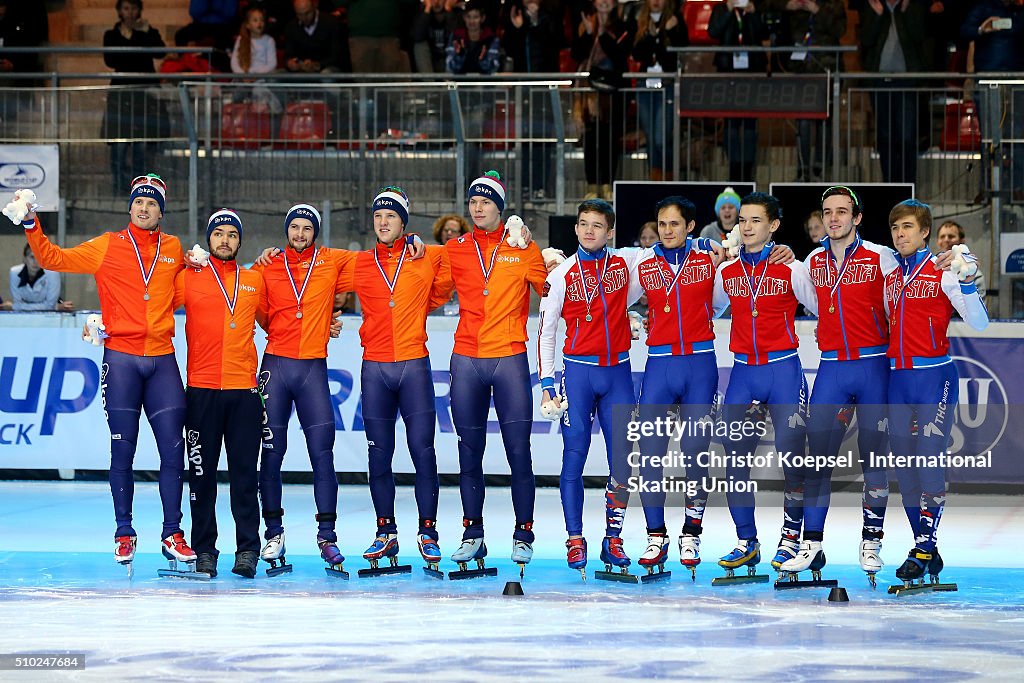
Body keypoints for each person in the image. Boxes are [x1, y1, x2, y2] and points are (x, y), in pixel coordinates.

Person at [17, 175, 196, 573]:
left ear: (161, 211)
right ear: (129, 207)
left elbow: (182, 293)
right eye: (138, 202)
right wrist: (32, 224)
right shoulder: (107, 245)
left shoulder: (172, 248)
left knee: (172, 450)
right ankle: (124, 531)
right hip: (122, 360)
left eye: (151, 203)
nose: (144, 208)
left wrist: (199, 265)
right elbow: (53, 259)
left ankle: (172, 532)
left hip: (163, 359)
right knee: (123, 449)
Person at [254, 203, 425, 575]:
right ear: (286, 231)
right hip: (276, 365)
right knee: (271, 453)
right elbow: (261, 313)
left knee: (323, 453)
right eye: (294, 228)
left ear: (316, 233)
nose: (299, 234)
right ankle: (274, 532)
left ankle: (327, 536)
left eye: (307, 229)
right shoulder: (267, 266)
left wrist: (411, 238)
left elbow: (379, 256)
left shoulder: (335, 261)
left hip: (313, 367)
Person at [435, 171, 548, 575]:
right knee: (469, 454)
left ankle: (523, 534)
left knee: (519, 452)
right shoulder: (454, 248)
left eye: (485, 202)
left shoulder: (522, 247)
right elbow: (431, 292)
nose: (477, 208)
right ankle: (473, 534)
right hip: (466, 358)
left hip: (509, 358)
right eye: (473, 202)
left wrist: (545, 253)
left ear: (500, 208)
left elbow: (552, 292)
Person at [337, 187, 454, 573]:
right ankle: (385, 531)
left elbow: (463, 255)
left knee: (423, 452)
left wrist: (419, 242)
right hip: (375, 369)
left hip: (413, 366)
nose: (383, 222)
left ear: (404, 223)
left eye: (391, 216)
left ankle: (428, 532)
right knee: (378, 454)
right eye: (378, 216)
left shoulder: (427, 256)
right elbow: (312, 271)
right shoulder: (358, 262)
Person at [790, 186, 899, 586]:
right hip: (832, 369)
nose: (833, 218)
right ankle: (812, 543)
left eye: (842, 212)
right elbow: (813, 303)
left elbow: (897, 304)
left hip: (873, 367)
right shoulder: (811, 262)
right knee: (816, 459)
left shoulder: (880, 257)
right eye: (828, 212)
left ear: (857, 217)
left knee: (874, 460)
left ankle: (872, 541)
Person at [538, 199, 650, 577]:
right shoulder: (561, 274)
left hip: (618, 373)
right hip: (579, 375)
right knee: (575, 456)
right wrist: (547, 382)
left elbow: (665, 252)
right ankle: (574, 537)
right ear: (575, 229)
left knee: (622, 460)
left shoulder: (624, 265)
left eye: (597, 225)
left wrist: (706, 247)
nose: (589, 230)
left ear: (610, 231)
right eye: (583, 224)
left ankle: (612, 538)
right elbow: (547, 331)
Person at [710, 192, 818, 580]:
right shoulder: (726, 272)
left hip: (784, 371)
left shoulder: (792, 268)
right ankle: (747, 541)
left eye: (756, 220)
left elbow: (825, 307)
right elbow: (705, 309)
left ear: (773, 226)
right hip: (742, 373)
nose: (746, 226)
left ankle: (791, 538)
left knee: (794, 461)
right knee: (734, 461)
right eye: (742, 220)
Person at [883, 199, 988, 588]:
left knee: (929, 461)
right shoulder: (891, 276)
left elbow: (979, 322)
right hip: (898, 382)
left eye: (908, 227)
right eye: (895, 228)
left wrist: (966, 282)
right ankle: (925, 547)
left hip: (935, 379)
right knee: (906, 472)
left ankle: (924, 549)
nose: (900, 234)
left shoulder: (943, 271)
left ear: (925, 231)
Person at [630, 197, 722, 578]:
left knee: (695, 452)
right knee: (651, 453)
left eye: (674, 224)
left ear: (690, 226)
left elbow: (720, 301)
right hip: (660, 366)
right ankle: (656, 536)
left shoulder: (709, 259)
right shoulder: (642, 262)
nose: (667, 230)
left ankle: (691, 532)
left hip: (700, 364)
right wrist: (635, 315)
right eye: (661, 223)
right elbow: (611, 291)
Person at [174, 209, 266, 579]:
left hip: (244, 393)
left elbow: (280, 322)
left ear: (240, 241)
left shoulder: (254, 280)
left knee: (245, 476)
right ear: (208, 239)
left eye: (231, 234)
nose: (225, 240)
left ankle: (248, 550)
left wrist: (327, 322)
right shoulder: (187, 277)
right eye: (218, 234)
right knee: (201, 477)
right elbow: (152, 306)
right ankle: (204, 551)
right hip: (201, 392)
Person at [767, 0, 846, 182]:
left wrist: (817, 10)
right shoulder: (795, 6)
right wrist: (786, 6)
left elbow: (839, 30)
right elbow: (769, 12)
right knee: (802, 120)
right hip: (801, 71)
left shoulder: (834, 5)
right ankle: (803, 169)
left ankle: (820, 168)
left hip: (826, 70)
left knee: (824, 120)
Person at [858, 0, 930, 184]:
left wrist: (907, 11)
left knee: (906, 137)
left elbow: (918, 36)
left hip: (906, 81)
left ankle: (907, 185)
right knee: (885, 137)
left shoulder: (912, 6)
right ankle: (890, 184)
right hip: (880, 82)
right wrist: (878, 15)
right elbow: (866, 39)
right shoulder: (873, 6)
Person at [961, 0, 1024, 202]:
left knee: (1017, 137)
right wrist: (982, 28)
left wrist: (1012, 25)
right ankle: (987, 188)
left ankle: (1018, 186)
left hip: (1016, 82)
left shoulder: (1020, 10)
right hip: (987, 81)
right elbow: (965, 31)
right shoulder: (982, 8)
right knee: (988, 137)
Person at [102, 0, 167, 193]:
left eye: (134, 8)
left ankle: (139, 188)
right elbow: (111, 60)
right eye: (126, 8)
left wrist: (142, 34)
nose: (130, 13)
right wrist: (129, 41)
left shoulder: (149, 32)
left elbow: (160, 52)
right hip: (120, 93)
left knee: (141, 144)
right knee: (119, 144)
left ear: (139, 10)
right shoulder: (111, 35)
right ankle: (119, 185)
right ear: (120, 11)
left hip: (144, 94)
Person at [572, 0, 630, 200]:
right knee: (590, 139)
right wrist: (588, 34)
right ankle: (592, 184)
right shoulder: (585, 24)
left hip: (612, 93)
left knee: (609, 139)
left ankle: (607, 185)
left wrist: (602, 34)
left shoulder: (622, 26)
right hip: (588, 92)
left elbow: (620, 55)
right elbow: (576, 54)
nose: (604, 2)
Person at [708, 0, 768, 182]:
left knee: (750, 123)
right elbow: (713, 32)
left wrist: (754, 13)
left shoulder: (756, 8)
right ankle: (734, 170)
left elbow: (764, 33)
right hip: (728, 72)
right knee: (731, 123)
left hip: (752, 72)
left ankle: (747, 170)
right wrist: (728, 11)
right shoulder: (720, 9)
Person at [629, 0, 688, 181]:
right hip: (645, 84)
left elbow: (681, 48)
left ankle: (668, 177)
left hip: (667, 84)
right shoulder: (638, 20)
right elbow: (637, 53)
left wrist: (669, 31)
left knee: (661, 138)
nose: (656, 1)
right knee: (650, 138)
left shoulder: (675, 19)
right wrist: (650, 36)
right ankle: (655, 178)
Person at [283, 0, 348, 73]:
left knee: (326, 74)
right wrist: (290, 63)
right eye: (299, 14)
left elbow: (339, 56)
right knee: (276, 76)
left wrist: (318, 64)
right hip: (301, 69)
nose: (304, 18)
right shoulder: (291, 27)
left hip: (327, 67)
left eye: (307, 13)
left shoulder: (331, 23)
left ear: (315, 6)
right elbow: (288, 55)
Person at [9, 243, 73, 312]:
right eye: (32, 257)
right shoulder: (14, 273)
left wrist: (14, 306)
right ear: (25, 258)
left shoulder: (52, 272)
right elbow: (18, 304)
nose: (36, 262)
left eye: (39, 257)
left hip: (49, 315)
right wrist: (55, 307)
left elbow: (50, 306)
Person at [936, 220, 987, 301]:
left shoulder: (974, 274)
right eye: (942, 236)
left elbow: (977, 309)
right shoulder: (929, 270)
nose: (946, 240)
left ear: (962, 241)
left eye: (951, 236)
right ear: (937, 242)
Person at [445, 2, 502, 74]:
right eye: (468, 17)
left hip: (484, 83)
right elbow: (450, 68)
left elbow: (493, 69)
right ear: (464, 18)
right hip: (461, 82)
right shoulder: (455, 36)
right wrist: (459, 56)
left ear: (482, 18)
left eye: (475, 17)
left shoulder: (492, 38)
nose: (471, 21)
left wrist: (483, 60)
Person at [231, 5, 278, 74]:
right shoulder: (240, 39)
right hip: (243, 78)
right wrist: (242, 75)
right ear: (248, 25)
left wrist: (256, 75)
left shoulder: (269, 40)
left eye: (262, 20)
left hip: (263, 79)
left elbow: (272, 64)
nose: (259, 23)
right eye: (255, 20)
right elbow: (234, 62)